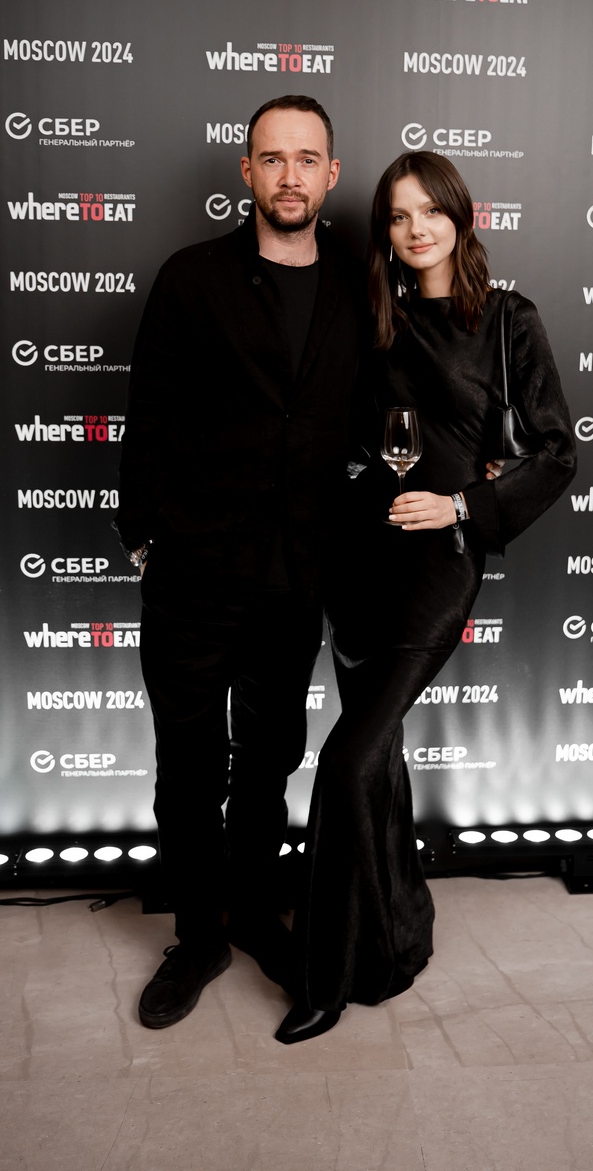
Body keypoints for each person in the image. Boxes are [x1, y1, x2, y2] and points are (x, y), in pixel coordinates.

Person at [275, 151, 577, 1044]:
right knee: (381, 761)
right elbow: (345, 437)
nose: (415, 229)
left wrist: (464, 504)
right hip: (359, 559)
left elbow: (557, 452)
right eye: (398, 216)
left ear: (460, 216)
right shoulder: (376, 318)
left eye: (430, 212)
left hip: (440, 560)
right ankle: (392, 938)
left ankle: (324, 976)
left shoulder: (509, 319)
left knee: (346, 759)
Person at [114, 95, 367, 1029]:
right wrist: (145, 539)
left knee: (270, 761)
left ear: (331, 175)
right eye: (273, 158)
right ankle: (197, 936)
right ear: (247, 172)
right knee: (189, 769)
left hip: (297, 577)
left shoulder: (357, 287)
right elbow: (147, 414)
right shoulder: (192, 277)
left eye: (307, 159)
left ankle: (256, 912)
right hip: (193, 572)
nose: (289, 176)